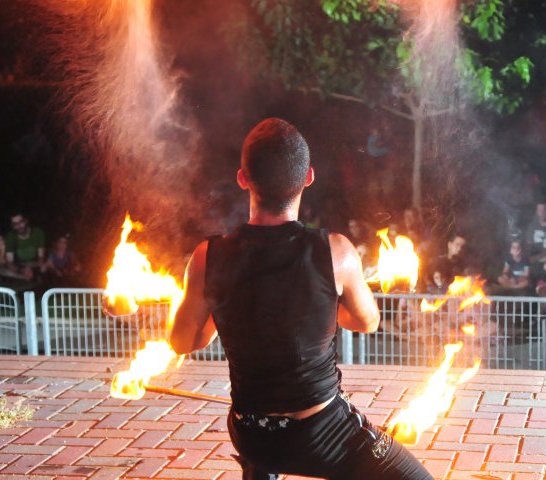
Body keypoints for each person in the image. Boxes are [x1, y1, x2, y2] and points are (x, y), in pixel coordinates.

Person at [169, 118, 432, 480]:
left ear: (243, 178)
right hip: (320, 433)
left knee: (264, 445)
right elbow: (367, 321)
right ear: (308, 177)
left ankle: (260, 469)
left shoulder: (206, 257)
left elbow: (183, 341)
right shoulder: (336, 252)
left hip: (249, 432)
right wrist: (323, 303)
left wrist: (225, 302)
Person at [4, 212, 46, 281]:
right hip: (19, 267)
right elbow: (9, 262)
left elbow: (41, 257)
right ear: (12, 226)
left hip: (35, 265)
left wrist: (32, 268)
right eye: (15, 224)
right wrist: (22, 270)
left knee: (44, 268)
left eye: (20, 222)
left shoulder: (37, 232)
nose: (19, 226)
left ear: (26, 221)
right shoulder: (10, 236)